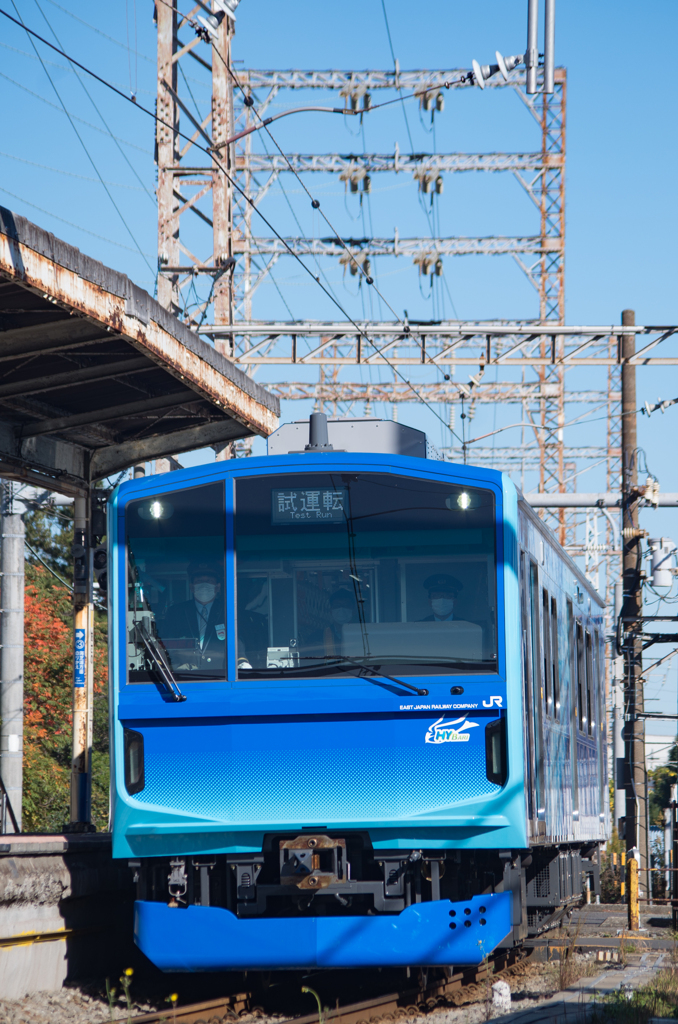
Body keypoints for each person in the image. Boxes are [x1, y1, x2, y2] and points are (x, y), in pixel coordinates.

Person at [161, 562, 226, 673]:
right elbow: (167, 644)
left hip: (220, 677)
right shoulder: (176, 612)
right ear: (191, 587)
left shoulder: (227, 611)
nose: (204, 585)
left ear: (217, 587)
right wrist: (176, 666)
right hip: (184, 677)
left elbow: (237, 643)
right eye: (199, 581)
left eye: (209, 581)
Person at [322, 588, 357, 656]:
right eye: (337, 606)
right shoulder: (318, 637)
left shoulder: (363, 636)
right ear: (331, 611)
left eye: (346, 606)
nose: (341, 609)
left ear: (354, 611)